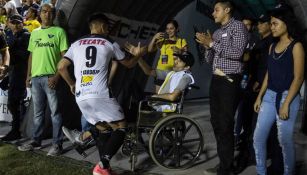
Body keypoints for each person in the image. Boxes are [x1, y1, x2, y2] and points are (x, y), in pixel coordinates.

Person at [57, 13, 144, 175]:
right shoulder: (109, 42)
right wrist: (138, 54)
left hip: (81, 96)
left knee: (103, 129)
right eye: (107, 28)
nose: (108, 30)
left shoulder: (76, 43)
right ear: (103, 27)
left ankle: (104, 168)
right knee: (121, 127)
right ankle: (102, 165)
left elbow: (61, 67)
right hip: (100, 93)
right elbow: (130, 64)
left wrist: (71, 84)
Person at [195, 0, 248, 174]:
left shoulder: (238, 27)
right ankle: (225, 163)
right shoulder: (217, 32)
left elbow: (237, 53)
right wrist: (206, 46)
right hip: (216, 81)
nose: (213, 13)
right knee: (216, 123)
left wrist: (211, 44)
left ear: (227, 10)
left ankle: (226, 169)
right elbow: (210, 60)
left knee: (225, 123)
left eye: (216, 10)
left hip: (229, 81)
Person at [253, 4, 305, 175]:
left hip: (287, 97)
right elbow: (269, 73)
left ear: (286, 23)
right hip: (268, 96)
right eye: (271, 23)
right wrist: (260, 96)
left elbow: (298, 78)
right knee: (258, 138)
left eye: (275, 23)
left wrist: (286, 104)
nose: (271, 27)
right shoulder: (271, 47)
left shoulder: (296, 46)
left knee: (284, 140)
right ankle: (261, 172)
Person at [17, 3, 68, 156]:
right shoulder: (35, 33)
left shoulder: (59, 32)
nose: (47, 14)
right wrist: (28, 75)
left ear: (54, 15)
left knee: (55, 113)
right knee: (38, 113)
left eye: (51, 12)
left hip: (51, 78)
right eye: (44, 11)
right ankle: (36, 141)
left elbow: (66, 57)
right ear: (40, 14)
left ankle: (57, 144)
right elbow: (31, 56)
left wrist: (57, 76)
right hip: (36, 79)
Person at [0, 14, 30, 141]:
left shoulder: (26, 36)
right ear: (9, 23)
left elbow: (27, 55)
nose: (16, 25)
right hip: (13, 72)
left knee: (14, 102)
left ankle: (16, 130)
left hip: (21, 73)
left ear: (22, 23)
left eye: (18, 22)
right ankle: (17, 128)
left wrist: (11, 51)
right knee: (14, 102)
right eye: (13, 22)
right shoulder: (11, 35)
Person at [148, 19, 188, 92]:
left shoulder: (182, 41)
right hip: (161, 71)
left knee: (169, 95)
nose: (169, 31)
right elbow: (150, 50)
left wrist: (180, 51)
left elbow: (187, 55)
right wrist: (154, 38)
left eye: (171, 28)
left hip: (174, 72)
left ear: (177, 29)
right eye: (167, 29)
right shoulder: (163, 40)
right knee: (159, 96)